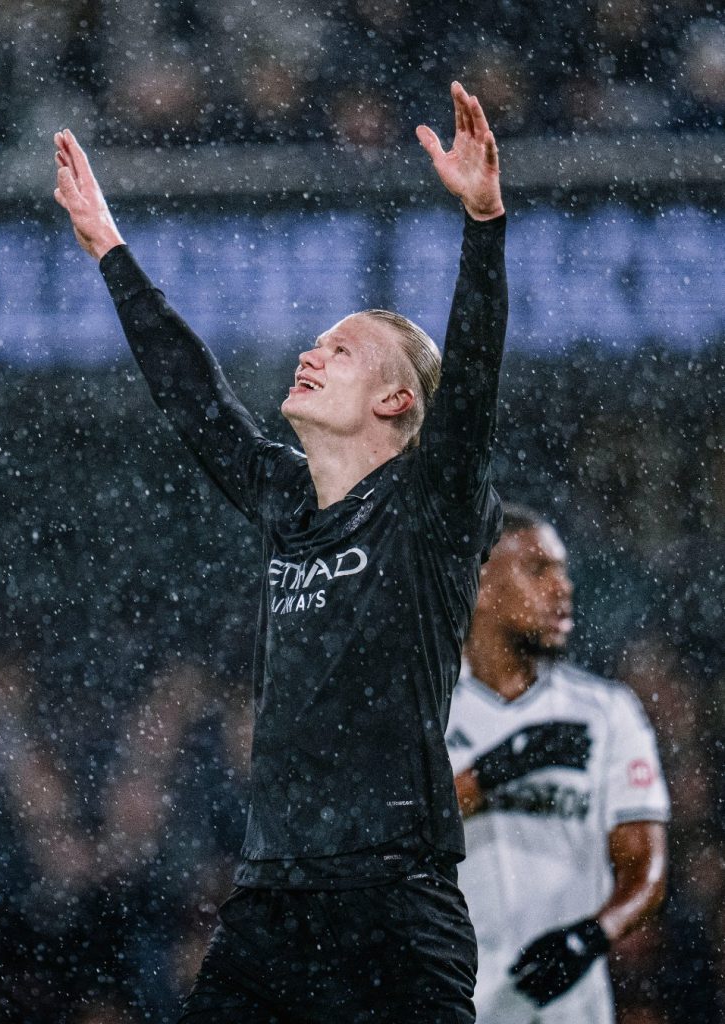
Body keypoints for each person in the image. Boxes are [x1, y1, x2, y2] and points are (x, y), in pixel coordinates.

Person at [54, 80, 508, 1023]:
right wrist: (111, 252)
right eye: (314, 343)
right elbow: (198, 402)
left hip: (395, 903)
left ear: (394, 404)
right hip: (271, 904)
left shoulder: (428, 506)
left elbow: (468, 380)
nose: (310, 354)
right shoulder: (285, 498)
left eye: (340, 352)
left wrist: (482, 221)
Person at [446, 504, 670, 1024]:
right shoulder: (428, 709)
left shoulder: (607, 712)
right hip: (457, 1002)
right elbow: (389, 835)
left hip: (572, 1007)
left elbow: (646, 869)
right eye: (538, 569)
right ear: (478, 584)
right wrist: (495, 771)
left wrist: (594, 934)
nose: (562, 587)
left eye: (563, 569)